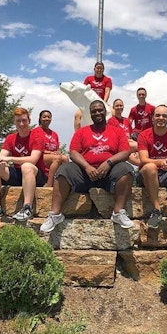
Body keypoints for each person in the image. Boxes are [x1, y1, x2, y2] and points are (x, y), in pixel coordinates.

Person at [41, 100, 135, 233]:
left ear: (105, 112)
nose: (97, 113)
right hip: (85, 173)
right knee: (64, 170)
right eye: (94, 111)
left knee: (126, 169)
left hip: (109, 173)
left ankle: (118, 213)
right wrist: (87, 166)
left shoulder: (117, 131)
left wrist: (108, 163)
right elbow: (73, 152)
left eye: (100, 110)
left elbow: (125, 152)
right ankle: (55, 215)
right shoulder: (82, 132)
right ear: (90, 115)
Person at [0, 107, 47, 221]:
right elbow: (1, 157)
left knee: (26, 166)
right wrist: (2, 162)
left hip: (35, 174)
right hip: (18, 174)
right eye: (18, 121)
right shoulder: (11, 138)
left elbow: (33, 160)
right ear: (14, 122)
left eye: (24, 120)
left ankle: (27, 208)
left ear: (29, 121)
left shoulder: (37, 136)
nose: (21, 124)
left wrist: (10, 159)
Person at [31, 110, 69, 187]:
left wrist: (58, 152)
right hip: (41, 156)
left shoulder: (54, 134)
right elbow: (34, 148)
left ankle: (64, 183)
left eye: (49, 117)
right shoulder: (35, 131)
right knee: (57, 159)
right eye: (44, 117)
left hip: (53, 156)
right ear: (40, 119)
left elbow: (57, 149)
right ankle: (49, 184)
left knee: (65, 158)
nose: (47, 119)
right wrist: (49, 153)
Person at [74, 62, 112, 131]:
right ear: (94, 69)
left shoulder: (107, 80)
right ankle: (77, 135)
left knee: (113, 112)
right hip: (88, 103)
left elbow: (107, 92)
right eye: (98, 68)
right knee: (77, 115)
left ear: (103, 70)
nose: (99, 70)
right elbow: (83, 91)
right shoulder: (88, 78)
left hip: (102, 103)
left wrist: (104, 103)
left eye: (101, 69)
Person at [107, 98, 140, 166]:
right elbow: (114, 138)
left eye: (121, 105)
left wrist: (135, 151)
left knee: (141, 161)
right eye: (117, 106)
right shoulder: (111, 121)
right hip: (120, 146)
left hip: (129, 145)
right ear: (113, 108)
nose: (119, 107)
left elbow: (130, 136)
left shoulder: (126, 120)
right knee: (141, 148)